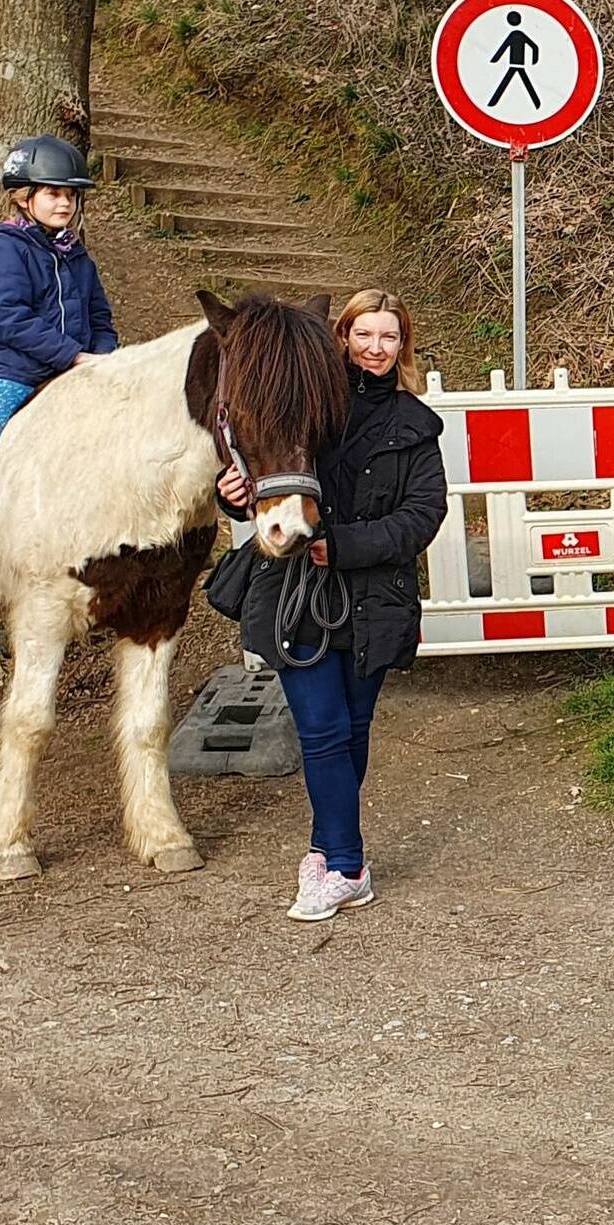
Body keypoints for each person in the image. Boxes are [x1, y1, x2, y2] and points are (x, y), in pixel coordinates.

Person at [216, 289, 449, 922]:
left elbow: (423, 516)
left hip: (373, 596)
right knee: (320, 731)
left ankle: (325, 849)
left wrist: (342, 545)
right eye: (364, 334)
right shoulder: (307, 398)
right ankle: (349, 866)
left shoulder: (415, 426)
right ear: (341, 336)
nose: (375, 348)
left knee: (349, 731)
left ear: (403, 347)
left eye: (389, 337)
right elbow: (269, 463)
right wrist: (233, 494)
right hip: (300, 594)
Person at [0, 136, 115, 593]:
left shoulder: (78, 256)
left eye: (71, 195)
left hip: (77, 370)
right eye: (54, 193)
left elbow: (100, 317)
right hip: (15, 370)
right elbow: (9, 318)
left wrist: (106, 359)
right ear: (23, 197)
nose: (65, 203)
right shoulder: (4, 247)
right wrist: (71, 354)